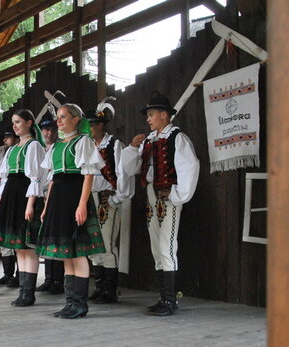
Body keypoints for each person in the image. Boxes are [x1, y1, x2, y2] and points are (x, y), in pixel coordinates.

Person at [121, 91, 199, 316]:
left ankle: (170, 300)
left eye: (152, 114)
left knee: (167, 245)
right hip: (151, 195)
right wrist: (132, 148)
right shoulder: (149, 140)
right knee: (157, 247)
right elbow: (131, 169)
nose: (148, 118)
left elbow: (190, 167)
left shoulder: (177, 137)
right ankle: (163, 298)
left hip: (168, 197)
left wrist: (177, 194)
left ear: (164, 115)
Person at [38, 103, 105, 319]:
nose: (58, 121)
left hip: (75, 197)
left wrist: (82, 204)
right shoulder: (56, 146)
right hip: (58, 200)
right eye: (58, 117)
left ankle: (80, 304)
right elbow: (53, 181)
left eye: (63, 117)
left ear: (76, 119)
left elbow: (88, 175)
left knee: (79, 253)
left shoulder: (83, 141)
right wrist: (47, 207)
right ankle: (70, 303)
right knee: (67, 254)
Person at [0, 110, 46, 306]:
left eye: (18, 122)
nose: (15, 126)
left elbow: (36, 178)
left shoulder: (34, 146)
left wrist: (31, 204)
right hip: (11, 195)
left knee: (27, 246)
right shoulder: (13, 149)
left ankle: (28, 293)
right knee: (18, 248)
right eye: (13, 122)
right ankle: (23, 290)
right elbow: (5, 178)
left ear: (29, 123)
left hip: (24, 195)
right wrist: (0, 205)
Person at [84, 97, 135, 304]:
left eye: (93, 124)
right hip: (90, 199)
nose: (90, 128)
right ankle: (99, 286)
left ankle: (110, 290)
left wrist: (116, 197)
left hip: (107, 200)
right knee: (93, 246)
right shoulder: (86, 146)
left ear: (101, 125)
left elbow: (123, 174)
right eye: (87, 124)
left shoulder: (114, 145)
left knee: (106, 245)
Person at [36, 118, 65, 295]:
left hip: (57, 195)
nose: (48, 133)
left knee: (57, 238)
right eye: (45, 130)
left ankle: (58, 280)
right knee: (47, 238)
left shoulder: (60, 148)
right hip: (44, 196)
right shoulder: (42, 150)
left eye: (51, 130)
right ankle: (48, 278)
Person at [0, 130, 19, 287]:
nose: (5, 140)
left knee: (16, 236)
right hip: (3, 195)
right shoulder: (5, 154)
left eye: (8, 137)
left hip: (16, 195)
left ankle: (19, 275)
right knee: (4, 235)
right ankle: (8, 273)